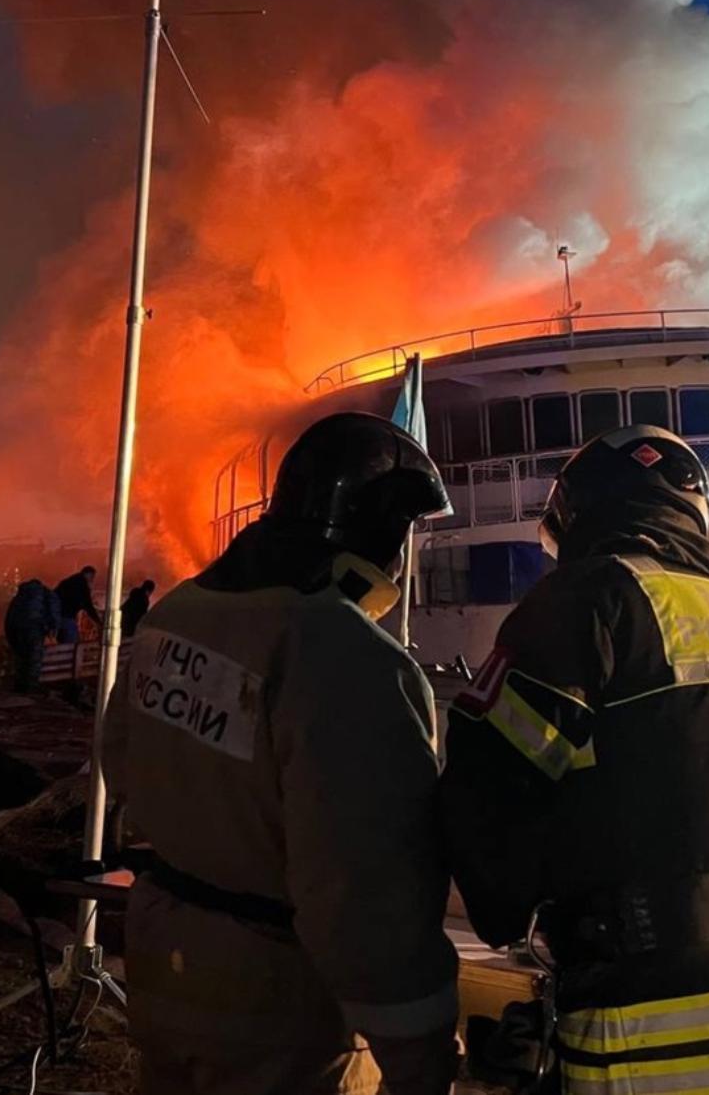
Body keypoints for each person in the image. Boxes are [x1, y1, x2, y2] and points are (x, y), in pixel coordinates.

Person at [440, 425, 709, 1095]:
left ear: (573, 518)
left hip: (658, 1026)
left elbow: (487, 791)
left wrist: (504, 914)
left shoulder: (587, 600)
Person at [103, 412, 460, 1095]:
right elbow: (362, 887)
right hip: (279, 999)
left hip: (162, 958)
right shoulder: (348, 659)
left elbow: (118, 759)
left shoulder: (176, 613)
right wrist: (418, 1051)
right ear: (381, 528)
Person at [5, 578, 62, 692]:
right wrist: (53, 629)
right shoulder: (46, 594)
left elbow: (9, 617)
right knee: (34, 658)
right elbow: (54, 611)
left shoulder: (19, 597)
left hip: (17, 629)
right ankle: (30, 686)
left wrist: (10, 637)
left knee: (21, 657)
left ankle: (20, 685)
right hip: (35, 629)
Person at [53, 565, 100, 644]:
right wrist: (98, 621)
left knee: (63, 643)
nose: (92, 580)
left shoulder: (68, 582)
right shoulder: (81, 585)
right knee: (72, 643)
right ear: (87, 574)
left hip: (57, 616)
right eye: (92, 577)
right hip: (67, 616)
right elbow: (88, 605)